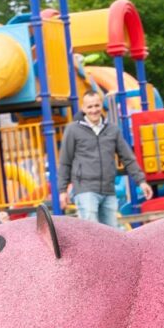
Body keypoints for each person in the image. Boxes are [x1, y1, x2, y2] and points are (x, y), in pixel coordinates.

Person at [58, 91, 153, 227]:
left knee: (110, 233)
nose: (94, 110)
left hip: (108, 190)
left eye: (97, 106)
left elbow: (127, 157)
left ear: (101, 105)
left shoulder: (112, 130)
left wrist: (141, 181)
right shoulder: (73, 130)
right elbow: (65, 162)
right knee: (92, 230)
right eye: (90, 107)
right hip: (85, 189)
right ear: (83, 108)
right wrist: (62, 190)